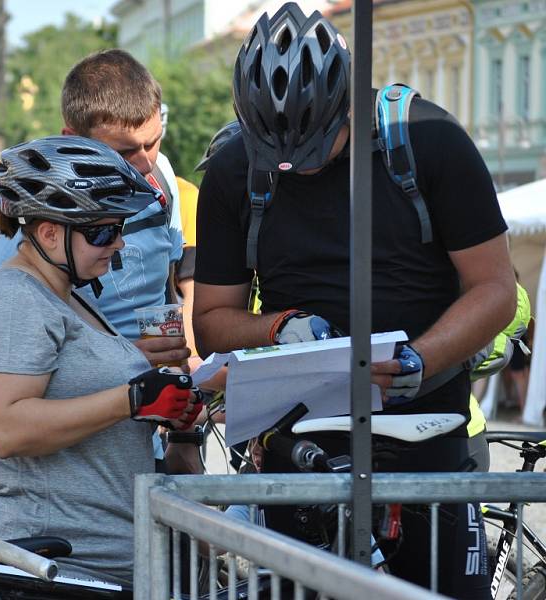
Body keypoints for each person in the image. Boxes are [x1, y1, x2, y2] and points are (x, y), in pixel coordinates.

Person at [193, 4, 516, 597]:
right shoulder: (235, 171)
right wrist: (277, 328)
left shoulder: (427, 140)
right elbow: (211, 323)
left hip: (428, 432)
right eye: (278, 151)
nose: (297, 166)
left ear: (348, 102)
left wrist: (421, 358)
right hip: (301, 443)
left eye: (317, 146)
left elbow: (495, 288)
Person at [0, 136, 200, 585]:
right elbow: (7, 428)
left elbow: (77, 381)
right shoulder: (14, 300)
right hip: (54, 569)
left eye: (119, 228)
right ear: (50, 232)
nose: (119, 243)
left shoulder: (69, 295)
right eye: (103, 231)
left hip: (99, 567)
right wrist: (131, 398)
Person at [0, 49, 189, 401]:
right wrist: (123, 367)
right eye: (125, 152)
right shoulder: (18, 219)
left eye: (153, 141)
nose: (144, 165)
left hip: (146, 443)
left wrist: (183, 433)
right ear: (72, 136)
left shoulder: (161, 178)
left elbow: (163, 293)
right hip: (62, 449)